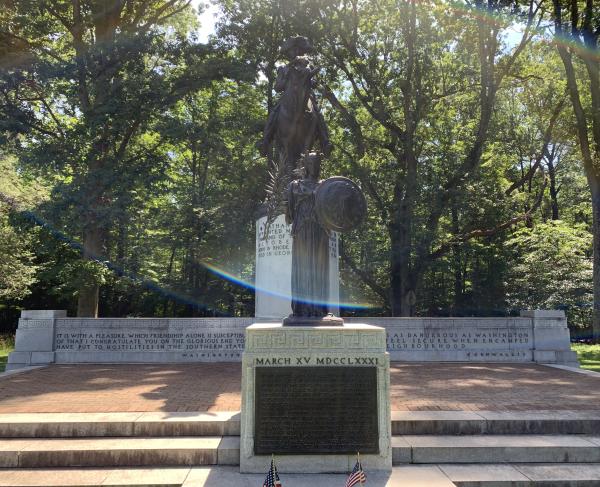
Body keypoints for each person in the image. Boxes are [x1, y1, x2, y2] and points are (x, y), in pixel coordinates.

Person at [285, 153, 330, 318]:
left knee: (319, 269)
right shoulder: (294, 186)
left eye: (317, 162)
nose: (314, 166)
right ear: (306, 164)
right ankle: (301, 309)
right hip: (302, 229)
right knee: (303, 268)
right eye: (311, 162)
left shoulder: (327, 185)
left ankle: (319, 309)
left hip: (320, 230)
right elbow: (288, 215)